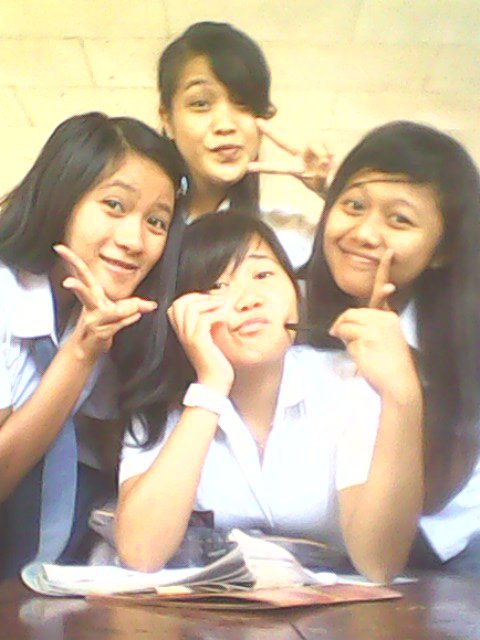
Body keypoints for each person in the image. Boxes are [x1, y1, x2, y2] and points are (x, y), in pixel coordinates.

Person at [115, 212, 423, 583]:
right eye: (216, 286)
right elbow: (141, 554)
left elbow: (380, 563)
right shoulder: (160, 403)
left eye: (262, 275)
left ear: (294, 293)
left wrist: (401, 397)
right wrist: (211, 387)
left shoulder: (347, 382)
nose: (248, 299)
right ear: (181, 313)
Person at [0, 111, 184, 579]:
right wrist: (81, 354)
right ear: (62, 197)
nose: (134, 241)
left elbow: (104, 449)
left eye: (156, 222)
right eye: (115, 206)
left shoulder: (104, 311)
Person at [305, 121, 480, 576]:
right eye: (354, 205)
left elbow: (432, 499)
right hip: (323, 559)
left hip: (448, 562)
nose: (364, 233)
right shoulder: (291, 309)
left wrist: (400, 385)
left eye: (399, 219)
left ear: (443, 250)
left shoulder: (461, 347)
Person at [157, 21, 332, 268]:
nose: (225, 125)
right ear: (167, 118)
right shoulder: (138, 233)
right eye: (200, 103)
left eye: (243, 103)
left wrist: (336, 188)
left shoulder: (290, 239)